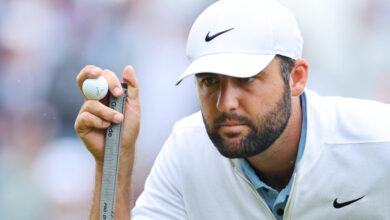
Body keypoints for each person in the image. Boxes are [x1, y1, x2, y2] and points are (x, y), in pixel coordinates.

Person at [74, 0, 390, 219]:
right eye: (210, 81)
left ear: (296, 78)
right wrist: (114, 158)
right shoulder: (187, 150)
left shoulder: (379, 143)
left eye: (247, 79)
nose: (226, 103)